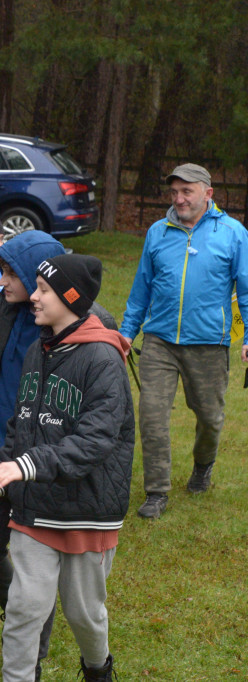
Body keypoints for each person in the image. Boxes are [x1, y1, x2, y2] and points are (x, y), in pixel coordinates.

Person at [0, 231, 117, 678]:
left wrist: (25, 465)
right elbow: (16, 417)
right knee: (20, 601)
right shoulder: (29, 344)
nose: (4, 282)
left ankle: (95, 666)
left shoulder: (99, 349)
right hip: (23, 485)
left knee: (84, 611)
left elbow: (97, 435)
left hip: (76, 498)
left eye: (41, 288)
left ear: (66, 296)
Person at [119, 163, 248, 519]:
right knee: (152, 416)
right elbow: (141, 289)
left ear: (208, 193)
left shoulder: (234, 234)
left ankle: (203, 466)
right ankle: (156, 491)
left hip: (209, 343)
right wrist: (128, 332)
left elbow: (246, 290)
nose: (179, 199)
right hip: (159, 341)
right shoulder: (157, 232)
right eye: (174, 192)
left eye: (187, 191)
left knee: (210, 417)